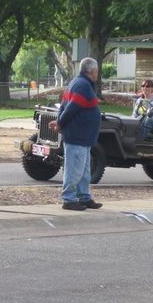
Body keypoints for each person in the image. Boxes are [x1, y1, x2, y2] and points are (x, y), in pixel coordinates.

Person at [48, 57, 102, 211]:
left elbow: (63, 106)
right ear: (92, 71)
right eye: (97, 70)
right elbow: (71, 108)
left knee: (84, 171)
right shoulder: (83, 85)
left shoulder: (77, 83)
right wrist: (60, 123)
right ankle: (69, 199)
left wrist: (60, 122)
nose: (98, 73)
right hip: (77, 136)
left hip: (84, 137)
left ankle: (84, 197)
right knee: (74, 170)